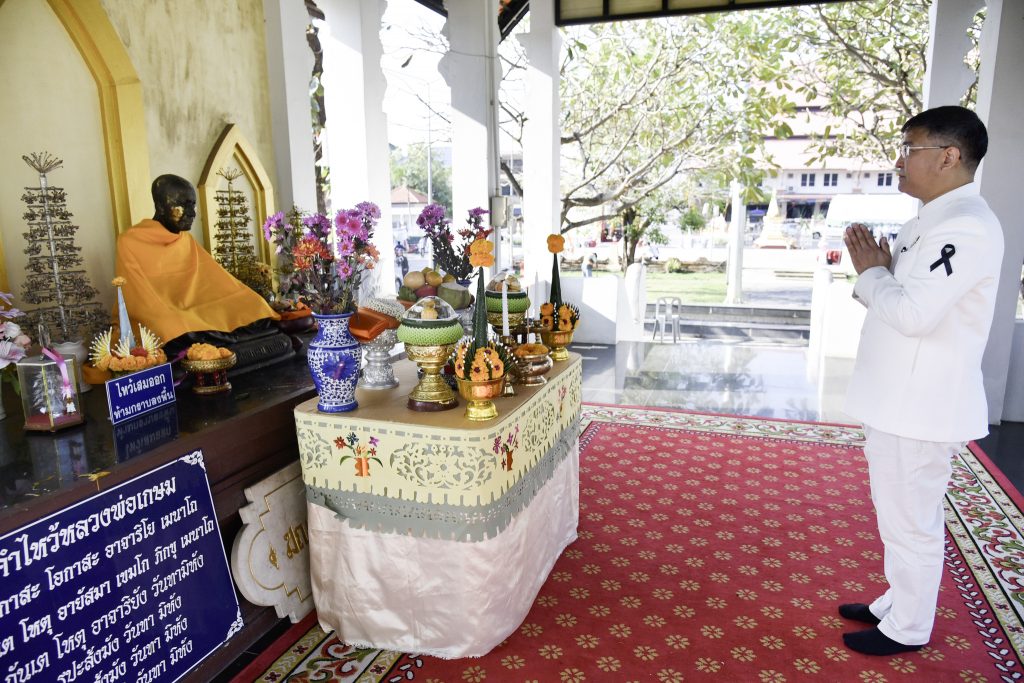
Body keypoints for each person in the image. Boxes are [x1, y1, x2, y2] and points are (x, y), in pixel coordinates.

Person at [840, 106, 1003, 656]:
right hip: (899, 398)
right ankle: (897, 601)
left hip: (921, 403)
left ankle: (908, 628)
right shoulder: (929, 220)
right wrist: (879, 276)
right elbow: (902, 299)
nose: (899, 160)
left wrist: (872, 274)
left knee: (912, 522)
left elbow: (913, 314)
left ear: (949, 156)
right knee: (899, 516)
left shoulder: (965, 226)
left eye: (909, 149)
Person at [116, 174, 285, 362]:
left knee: (256, 305)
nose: (192, 213)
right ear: (161, 206)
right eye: (183, 206)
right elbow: (137, 300)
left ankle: (217, 340)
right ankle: (222, 340)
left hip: (201, 307)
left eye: (193, 205)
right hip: (166, 313)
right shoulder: (130, 241)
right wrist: (173, 315)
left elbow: (215, 278)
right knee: (172, 327)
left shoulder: (185, 239)